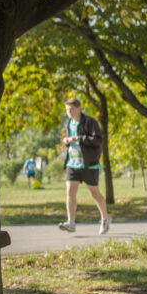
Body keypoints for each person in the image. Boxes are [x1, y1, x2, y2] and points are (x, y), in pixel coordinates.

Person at [58, 98, 111, 235]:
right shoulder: (68, 123)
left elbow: (98, 139)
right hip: (72, 163)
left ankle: (105, 218)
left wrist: (80, 138)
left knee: (94, 193)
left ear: (79, 108)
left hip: (89, 163)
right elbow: (71, 141)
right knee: (70, 192)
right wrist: (66, 141)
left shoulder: (90, 122)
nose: (69, 112)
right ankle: (71, 223)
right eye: (67, 110)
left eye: (71, 109)